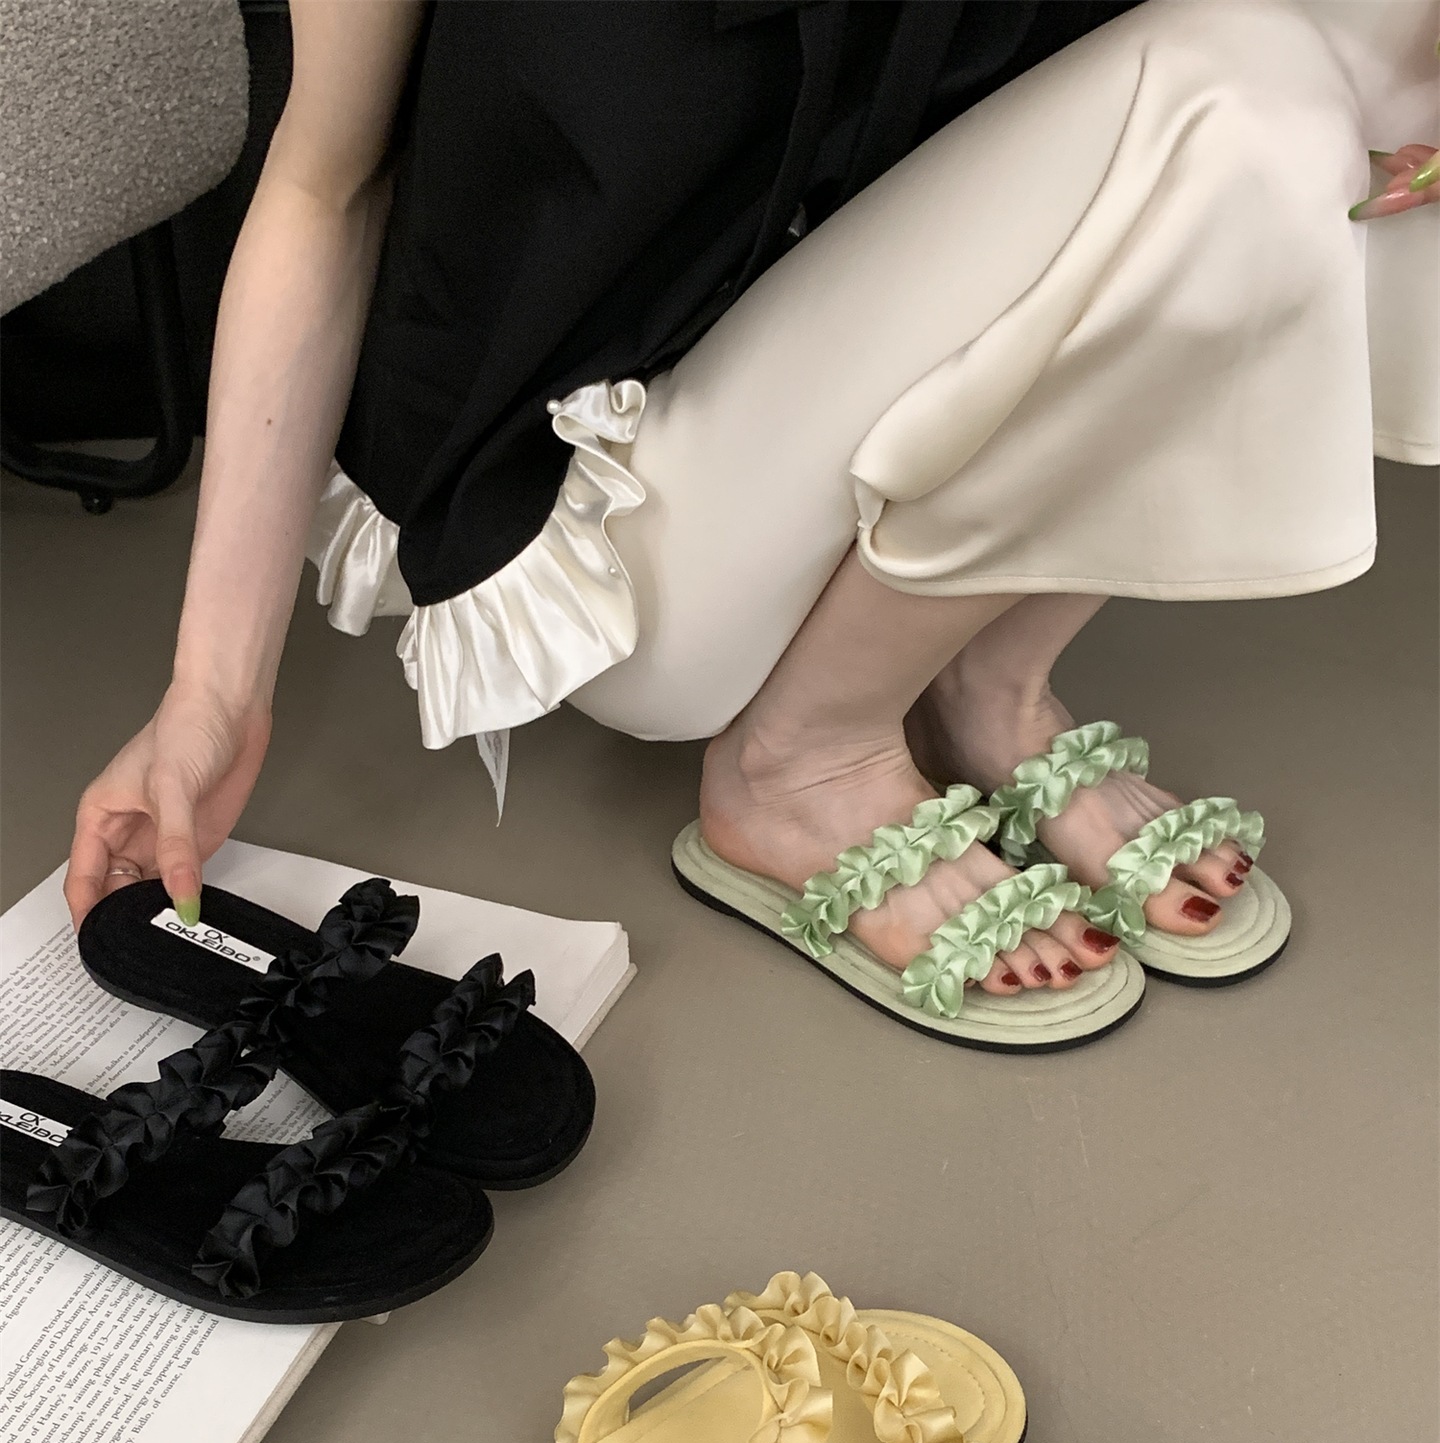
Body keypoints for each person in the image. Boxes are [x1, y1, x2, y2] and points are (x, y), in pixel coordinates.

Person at [65, 0, 1438, 1010]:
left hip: (870, 316)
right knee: (1256, 99)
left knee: (1385, 45)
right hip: (633, 525)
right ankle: (803, 760)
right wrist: (211, 691)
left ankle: (986, 678)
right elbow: (326, 182)